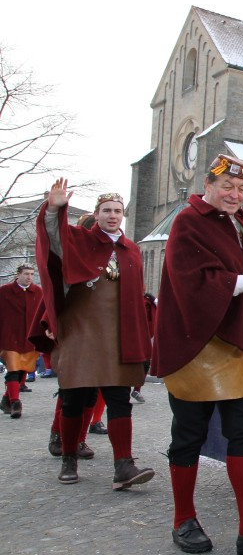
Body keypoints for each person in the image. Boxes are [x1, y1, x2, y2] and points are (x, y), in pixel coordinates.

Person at [153, 154, 243, 555]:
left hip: (237, 344)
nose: (235, 195)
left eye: (241, 189)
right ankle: (184, 519)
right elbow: (191, 282)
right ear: (209, 185)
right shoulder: (187, 222)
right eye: (227, 187)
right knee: (189, 435)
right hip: (194, 343)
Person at [33, 182, 156, 489]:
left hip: (119, 335)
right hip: (82, 331)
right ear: (96, 214)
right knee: (74, 398)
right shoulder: (80, 241)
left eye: (117, 211)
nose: (112, 216)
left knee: (119, 399)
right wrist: (53, 209)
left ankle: (124, 465)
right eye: (106, 211)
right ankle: (69, 458)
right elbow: (51, 242)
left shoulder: (132, 251)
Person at [0, 264, 43, 419]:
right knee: (13, 369)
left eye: (31, 274)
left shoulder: (38, 292)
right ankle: (15, 402)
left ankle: (7, 397)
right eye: (26, 274)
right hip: (10, 337)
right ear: (18, 275)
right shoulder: (4, 291)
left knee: (23, 369)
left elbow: (43, 315)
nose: (29, 277)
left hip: (29, 338)